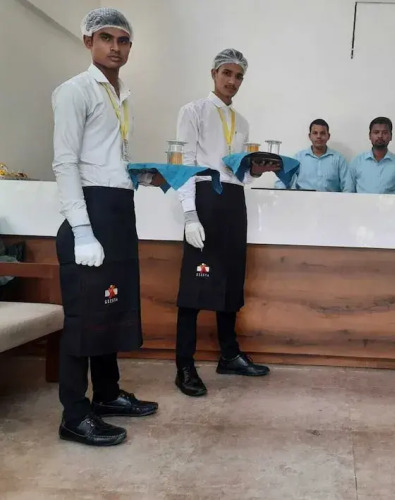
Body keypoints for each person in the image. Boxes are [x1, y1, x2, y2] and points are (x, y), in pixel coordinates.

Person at [52, 8, 161, 447]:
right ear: (88, 42)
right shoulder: (74, 91)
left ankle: (108, 394)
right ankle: (74, 415)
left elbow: (106, 158)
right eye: (106, 38)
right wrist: (81, 229)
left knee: (110, 308)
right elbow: (65, 163)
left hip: (118, 208)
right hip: (91, 213)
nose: (115, 47)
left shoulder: (121, 94)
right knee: (84, 316)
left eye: (123, 40)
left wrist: (140, 176)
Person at [174, 48, 270, 398]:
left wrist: (255, 171)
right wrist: (189, 214)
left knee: (230, 279)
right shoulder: (193, 111)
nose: (232, 81)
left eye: (239, 76)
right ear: (214, 73)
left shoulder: (242, 122)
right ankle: (184, 365)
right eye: (227, 73)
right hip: (205, 196)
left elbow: (239, 174)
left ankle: (229, 354)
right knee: (195, 284)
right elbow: (184, 164)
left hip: (233, 200)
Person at [275, 119, 352, 192]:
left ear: (328, 136)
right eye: (315, 133)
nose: (318, 136)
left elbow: (348, 187)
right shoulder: (299, 158)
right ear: (310, 136)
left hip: (331, 201)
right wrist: (283, 196)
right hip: (303, 200)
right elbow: (281, 181)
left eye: (322, 133)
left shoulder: (338, 159)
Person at [349, 117, 395, 195]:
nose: (380, 136)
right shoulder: (357, 162)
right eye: (376, 132)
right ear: (369, 136)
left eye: (384, 133)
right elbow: (348, 193)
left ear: (391, 136)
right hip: (362, 203)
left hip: (389, 203)